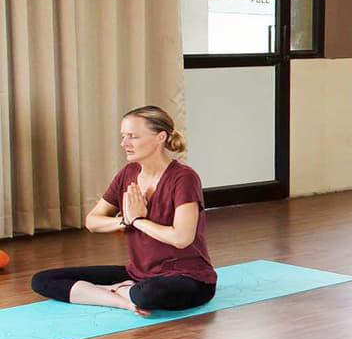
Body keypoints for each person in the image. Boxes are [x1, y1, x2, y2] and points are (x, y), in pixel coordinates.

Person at [30, 106, 216, 317]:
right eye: (123, 136)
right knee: (43, 280)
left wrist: (138, 220)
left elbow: (181, 238)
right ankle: (123, 300)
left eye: (133, 136)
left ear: (160, 137)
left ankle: (118, 292)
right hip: (138, 274)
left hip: (188, 278)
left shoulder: (184, 178)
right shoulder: (128, 173)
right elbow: (92, 221)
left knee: (147, 294)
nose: (124, 143)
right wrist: (126, 221)